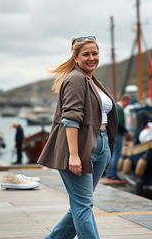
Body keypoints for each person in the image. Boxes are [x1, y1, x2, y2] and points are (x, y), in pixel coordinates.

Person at [37, 36, 118, 239]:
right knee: (82, 206)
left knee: (81, 204)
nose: (92, 58)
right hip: (80, 148)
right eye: (86, 54)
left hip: (100, 145)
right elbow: (71, 120)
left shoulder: (92, 80)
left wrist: (105, 146)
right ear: (75, 57)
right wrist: (73, 155)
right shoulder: (76, 79)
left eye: (95, 53)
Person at [107, 94, 131, 181]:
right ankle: (113, 174)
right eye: (128, 103)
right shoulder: (120, 109)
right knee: (117, 154)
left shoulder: (115, 106)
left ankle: (110, 174)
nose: (127, 105)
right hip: (119, 134)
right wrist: (126, 131)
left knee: (112, 153)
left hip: (113, 133)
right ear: (126, 100)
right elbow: (120, 122)